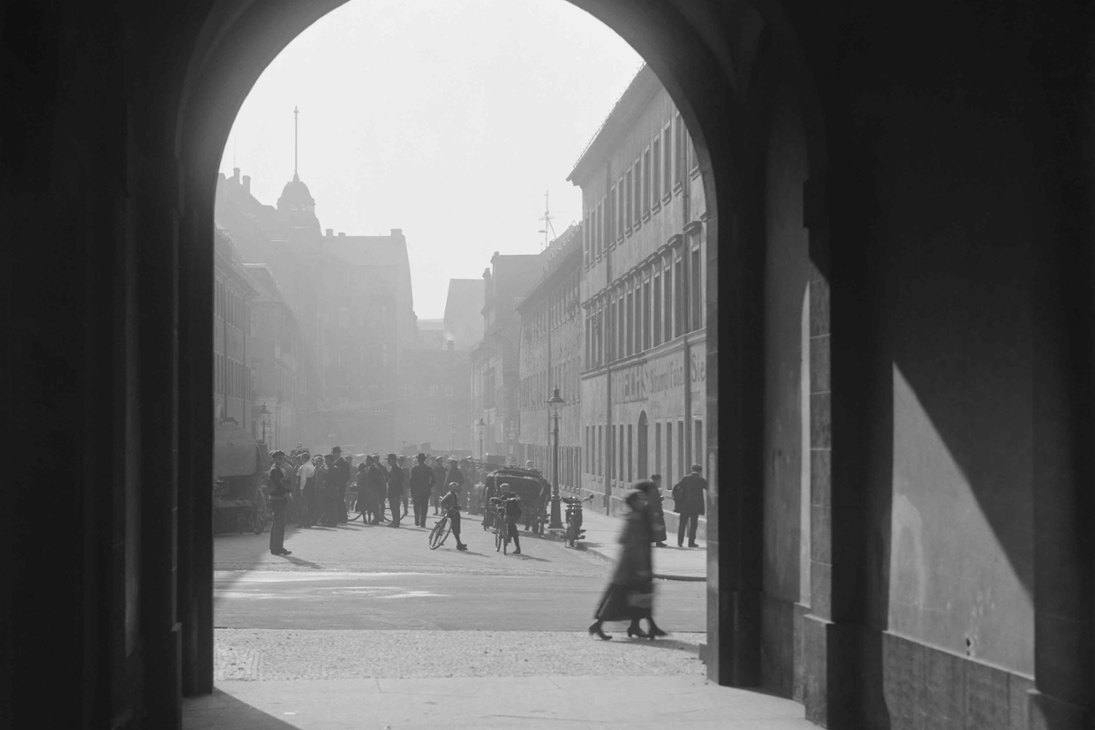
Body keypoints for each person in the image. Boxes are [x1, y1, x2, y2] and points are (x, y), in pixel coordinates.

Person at [588, 485, 667, 640]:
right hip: (631, 567)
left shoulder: (637, 516)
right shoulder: (635, 519)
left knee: (637, 598)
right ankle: (599, 625)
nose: (643, 502)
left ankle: (640, 627)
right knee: (620, 599)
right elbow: (631, 543)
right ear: (634, 502)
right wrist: (640, 567)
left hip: (633, 565)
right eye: (640, 500)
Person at [672, 464, 707, 548]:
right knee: (694, 524)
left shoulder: (685, 478)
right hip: (695, 505)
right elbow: (710, 488)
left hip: (684, 505)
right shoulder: (701, 480)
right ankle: (691, 542)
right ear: (700, 471)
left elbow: (677, 487)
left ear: (691, 470)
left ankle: (680, 542)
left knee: (682, 523)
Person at [267, 450, 292, 556]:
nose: (281, 460)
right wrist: (286, 495)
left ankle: (275, 547)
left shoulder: (278, 469)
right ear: (274, 459)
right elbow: (279, 484)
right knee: (280, 523)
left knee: (276, 523)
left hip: (277, 498)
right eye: (279, 458)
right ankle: (278, 547)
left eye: (282, 458)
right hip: (278, 498)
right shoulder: (275, 470)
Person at [440, 481, 468, 551]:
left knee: (457, 529)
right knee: (455, 529)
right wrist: (448, 507)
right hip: (452, 513)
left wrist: (458, 506)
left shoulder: (454, 494)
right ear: (450, 488)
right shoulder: (449, 494)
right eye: (453, 487)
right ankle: (459, 544)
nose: (455, 489)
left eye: (455, 487)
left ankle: (459, 543)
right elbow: (442, 501)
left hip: (455, 512)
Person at [409, 453, 435, 527]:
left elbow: (411, 481)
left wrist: (412, 490)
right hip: (425, 490)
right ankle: (422, 522)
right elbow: (433, 479)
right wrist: (429, 486)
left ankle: (417, 519)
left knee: (416, 506)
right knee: (424, 507)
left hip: (417, 490)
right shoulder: (428, 468)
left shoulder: (415, 468)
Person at [645, 474, 669, 548]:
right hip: (655, 510)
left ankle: (657, 541)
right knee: (658, 526)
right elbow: (653, 499)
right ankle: (658, 541)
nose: (660, 482)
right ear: (656, 480)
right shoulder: (653, 487)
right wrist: (660, 498)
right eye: (659, 480)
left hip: (653, 509)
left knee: (656, 526)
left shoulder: (651, 486)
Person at [500, 486, 523, 555]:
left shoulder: (513, 494)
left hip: (514, 514)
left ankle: (518, 548)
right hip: (506, 514)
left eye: (505, 489)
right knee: (503, 518)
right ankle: (502, 531)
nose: (504, 491)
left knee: (512, 527)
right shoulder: (502, 497)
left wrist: (517, 499)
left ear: (509, 489)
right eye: (502, 490)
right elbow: (498, 500)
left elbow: (517, 497)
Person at [297, 452, 316, 527]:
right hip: (310, 484)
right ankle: (308, 520)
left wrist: (301, 488)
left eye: (302, 458)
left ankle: (303, 521)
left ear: (304, 458)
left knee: (303, 503)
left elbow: (303, 479)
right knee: (309, 503)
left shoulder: (304, 466)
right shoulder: (311, 465)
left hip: (305, 485)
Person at [386, 453, 404, 527]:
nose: (389, 462)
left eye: (390, 460)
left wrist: (393, 478)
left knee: (395, 507)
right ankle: (394, 521)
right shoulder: (390, 469)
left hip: (396, 490)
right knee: (392, 507)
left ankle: (397, 522)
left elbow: (401, 480)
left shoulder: (398, 469)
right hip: (391, 490)